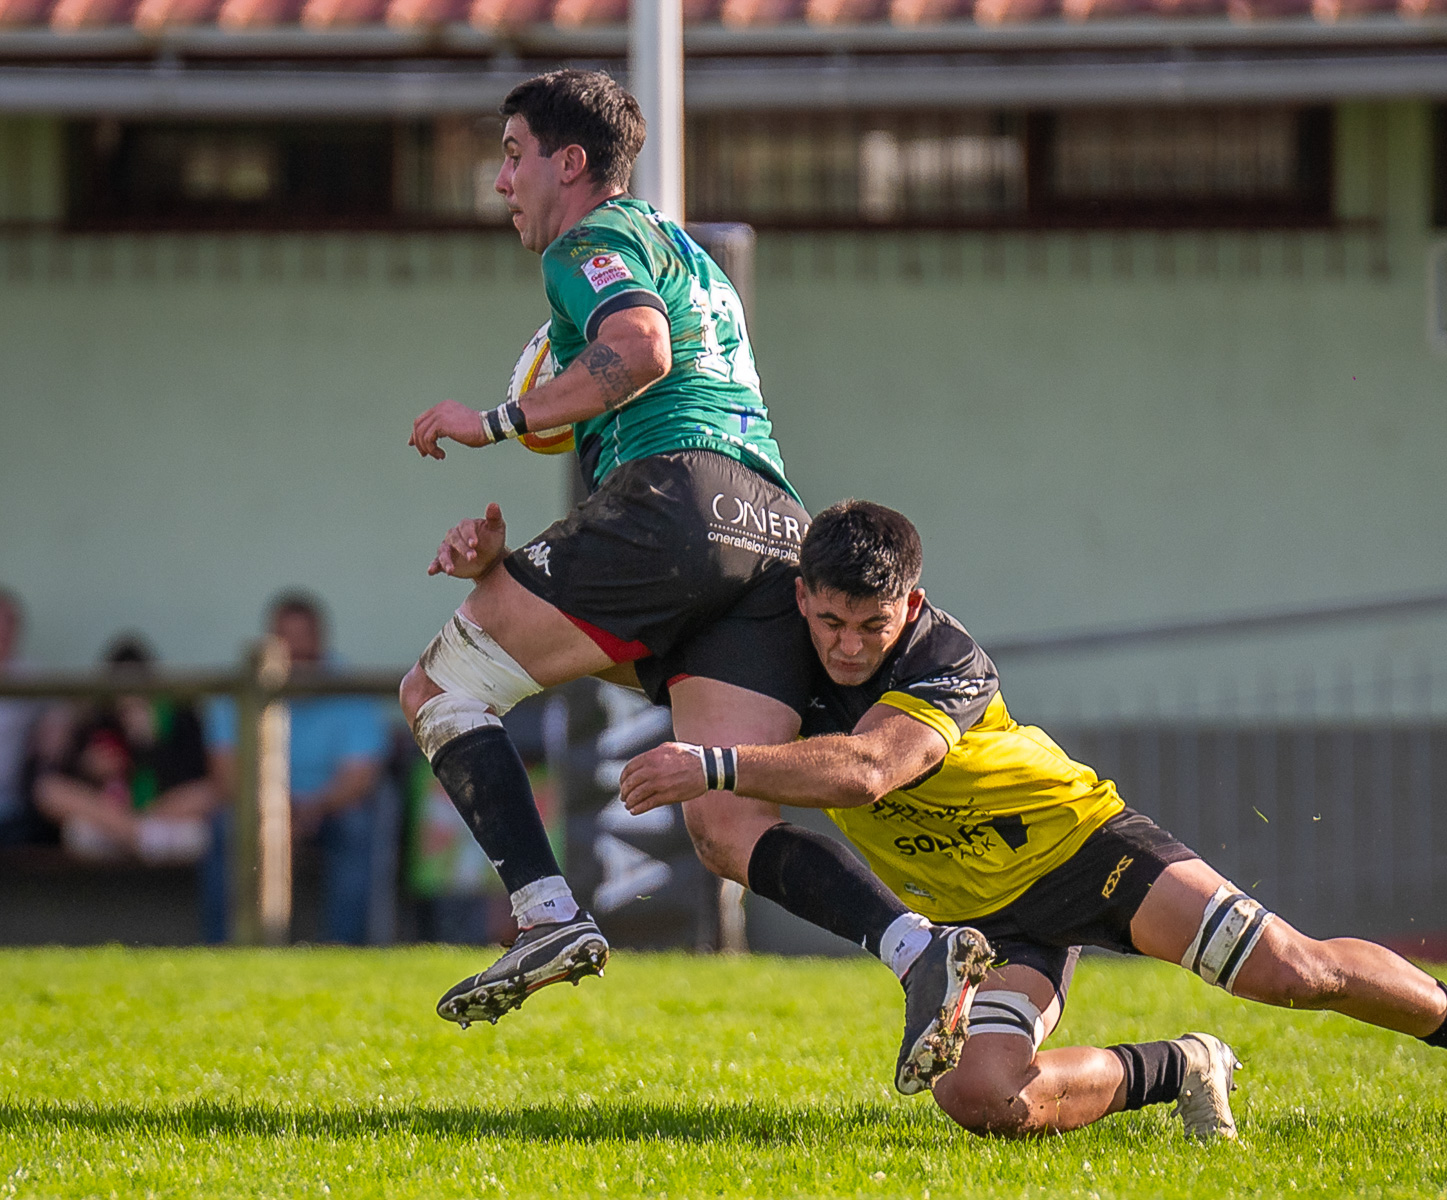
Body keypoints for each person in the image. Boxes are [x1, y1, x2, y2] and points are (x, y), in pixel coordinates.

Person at [618, 501, 1447, 1140]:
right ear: (803, 596)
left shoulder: (945, 659)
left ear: (912, 603)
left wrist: (711, 761)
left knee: (1297, 972)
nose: (846, 644)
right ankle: (1181, 1067)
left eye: (869, 626)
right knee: (979, 1101)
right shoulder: (783, 652)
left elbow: (873, 771)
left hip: (1089, 855)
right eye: (829, 620)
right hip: (988, 924)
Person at [401, 69, 989, 1090]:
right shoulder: (686, 254)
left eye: (511, 155)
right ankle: (918, 948)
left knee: (439, 690)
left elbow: (640, 349)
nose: (501, 182)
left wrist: (493, 421)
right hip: (771, 530)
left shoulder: (590, 242)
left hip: (673, 501)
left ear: (568, 162)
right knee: (723, 821)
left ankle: (545, 913)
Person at [206, 592, 388, 944]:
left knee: (357, 827)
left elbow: (361, 776)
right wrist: (275, 811)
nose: (297, 661)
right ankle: (224, 949)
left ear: (322, 644)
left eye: (305, 648)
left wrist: (313, 808)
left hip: (328, 808)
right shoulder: (237, 690)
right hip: (256, 807)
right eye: (287, 648)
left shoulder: (350, 688)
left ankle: (343, 952)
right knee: (224, 827)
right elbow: (226, 776)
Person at [32, 634, 213, 864]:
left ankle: (138, 833)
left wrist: (148, 744)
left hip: (165, 820)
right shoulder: (96, 720)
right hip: (111, 823)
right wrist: (88, 769)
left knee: (209, 797)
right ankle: (136, 834)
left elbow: (192, 781)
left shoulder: (179, 718)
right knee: (52, 794)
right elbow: (60, 784)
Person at [0, 588, 49, 848]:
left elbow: (64, 714)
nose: (3, 631)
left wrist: (53, 732)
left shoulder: (30, 679)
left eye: (9, 623)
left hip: (11, 809)